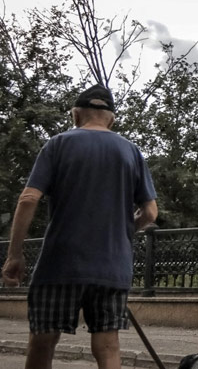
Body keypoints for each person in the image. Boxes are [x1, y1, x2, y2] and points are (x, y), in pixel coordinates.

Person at [1, 84, 158, 369]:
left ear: (75, 115)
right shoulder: (131, 151)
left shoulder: (57, 144)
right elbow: (150, 212)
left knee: (43, 341)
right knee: (108, 346)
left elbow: (28, 199)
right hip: (112, 267)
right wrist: (125, 232)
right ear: (111, 119)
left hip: (60, 265)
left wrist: (15, 255)